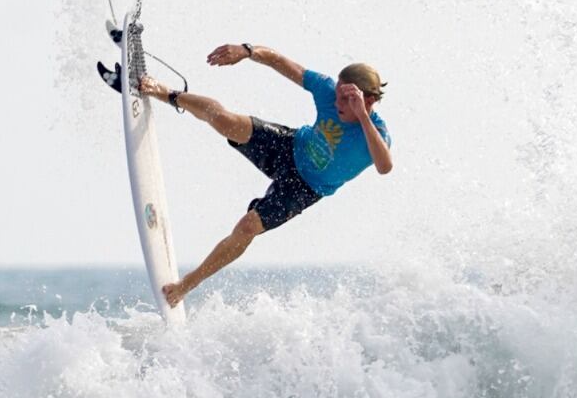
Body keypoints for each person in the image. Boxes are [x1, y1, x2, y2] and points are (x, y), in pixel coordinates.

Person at [103, 43, 393, 307]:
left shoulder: (376, 133)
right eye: (339, 93)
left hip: (305, 188)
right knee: (225, 120)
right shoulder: (328, 92)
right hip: (290, 147)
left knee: (247, 228)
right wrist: (247, 50)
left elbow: (384, 166)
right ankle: (157, 90)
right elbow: (281, 61)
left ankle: (185, 286)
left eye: (347, 98)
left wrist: (363, 117)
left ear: (367, 100)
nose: (338, 101)